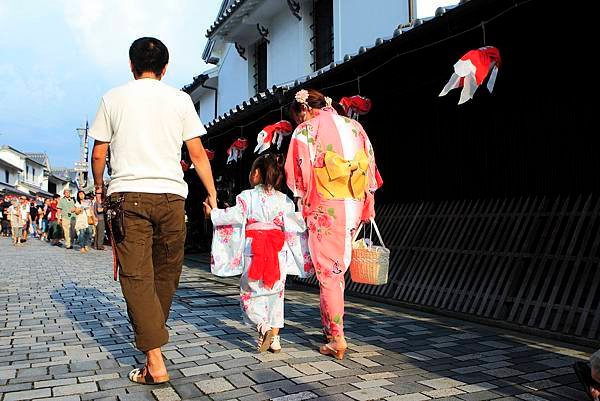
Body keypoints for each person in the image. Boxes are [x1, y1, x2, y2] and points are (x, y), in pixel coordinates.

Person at [89, 36, 217, 385]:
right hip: (172, 197)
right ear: (165, 68)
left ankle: (155, 360)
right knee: (165, 274)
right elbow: (197, 154)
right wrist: (212, 194)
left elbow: (99, 153)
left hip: (127, 195)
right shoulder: (180, 100)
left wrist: (98, 188)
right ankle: (154, 350)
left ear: (131, 66)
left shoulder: (112, 98)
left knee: (136, 277)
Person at [285, 89, 383, 360]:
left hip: (325, 204)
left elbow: (297, 175)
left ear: (303, 110)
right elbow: (370, 167)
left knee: (329, 272)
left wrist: (302, 200)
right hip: (353, 202)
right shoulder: (355, 127)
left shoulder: (305, 130)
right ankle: (330, 328)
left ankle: (337, 337)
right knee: (337, 270)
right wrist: (368, 201)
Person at [204, 154, 312, 353]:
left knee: (250, 292)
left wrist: (213, 214)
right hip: (277, 249)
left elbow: (234, 216)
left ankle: (262, 326)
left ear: (256, 173)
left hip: (254, 248)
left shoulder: (247, 197)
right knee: (276, 294)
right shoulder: (285, 200)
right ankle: (276, 339)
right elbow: (294, 225)